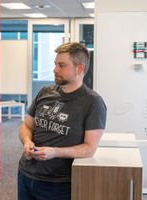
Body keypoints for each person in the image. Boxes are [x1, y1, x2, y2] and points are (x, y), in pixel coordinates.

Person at [17, 42, 107, 200]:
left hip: (59, 183)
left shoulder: (93, 102)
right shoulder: (45, 92)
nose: (55, 70)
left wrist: (55, 152)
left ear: (79, 68)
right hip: (26, 173)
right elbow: (26, 126)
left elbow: (89, 148)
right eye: (55, 64)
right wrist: (27, 141)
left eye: (62, 65)